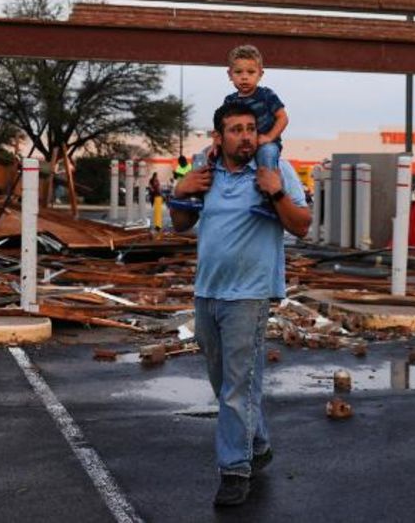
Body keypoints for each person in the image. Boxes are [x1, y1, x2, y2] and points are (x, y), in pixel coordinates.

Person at [169, 102, 310, 507]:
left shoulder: (274, 170)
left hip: (249, 294)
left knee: (235, 388)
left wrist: (276, 190)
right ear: (219, 137)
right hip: (207, 292)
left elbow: (301, 225)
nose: (246, 136)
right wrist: (179, 190)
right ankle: (259, 442)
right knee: (227, 384)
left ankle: (234, 470)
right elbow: (181, 224)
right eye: (235, 129)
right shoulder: (206, 171)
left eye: (251, 128)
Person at [221, 44, 290, 219]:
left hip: (264, 144)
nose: (244, 77)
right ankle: (205, 193)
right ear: (230, 75)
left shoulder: (266, 95)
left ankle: (270, 200)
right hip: (241, 145)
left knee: (267, 155)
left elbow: (283, 118)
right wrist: (217, 139)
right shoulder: (230, 100)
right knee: (208, 155)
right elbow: (222, 124)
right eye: (238, 72)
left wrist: (269, 137)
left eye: (250, 73)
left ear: (260, 74)